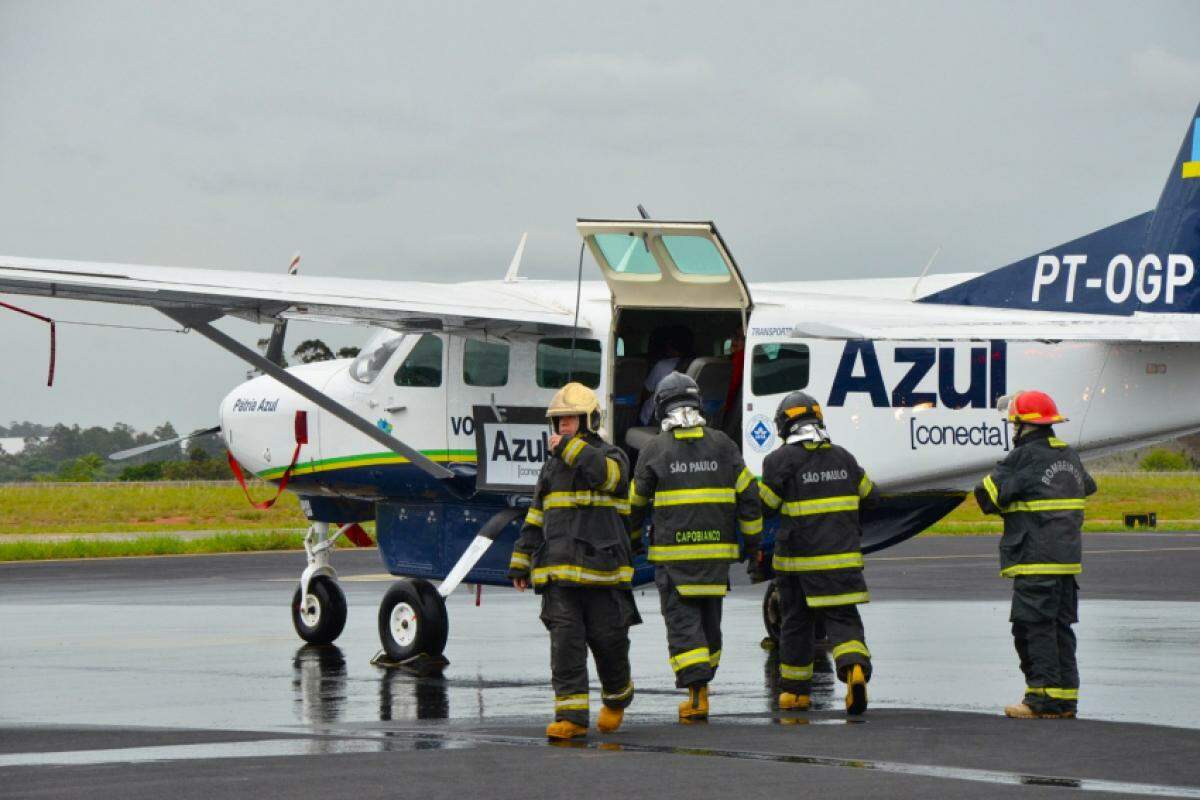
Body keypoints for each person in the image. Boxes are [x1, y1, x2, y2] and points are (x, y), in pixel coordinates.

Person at [507, 383, 640, 740]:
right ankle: (572, 717)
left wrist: (572, 449)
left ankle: (617, 696)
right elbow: (535, 516)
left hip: (604, 575)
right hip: (560, 575)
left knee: (609, 643)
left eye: (570, 419)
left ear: (589, 420)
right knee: (565, 644)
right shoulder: (551, 469)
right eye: (559, 421)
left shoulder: (613, 457)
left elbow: (607, 477)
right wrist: (521, 560)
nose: (563, 426)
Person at [629, 372, 762, 721]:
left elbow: (635, 504)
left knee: (682, 623)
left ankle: (697, 693)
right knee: (709, 622)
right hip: (716, 557)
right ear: (698, 402)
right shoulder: (724, 445)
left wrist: (629, 543)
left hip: (674, 560)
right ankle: (704, 681)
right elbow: (749, 494)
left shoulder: (653, 449)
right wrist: (752, 543)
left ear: (661, 407)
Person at [974, 390, 1096, 720]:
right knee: (1060, 628)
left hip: (1034, 557)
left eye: (1014, 424)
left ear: (1023, 426)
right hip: (1067, 560)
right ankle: (1065, 700)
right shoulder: (1068, 455)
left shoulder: (1024, 457)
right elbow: (1088, 486)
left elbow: (985, 495)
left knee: (1032, 628)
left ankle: (1040, 699)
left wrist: (1012, 499)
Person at [756, 391, 876, 715]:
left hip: (799, 564)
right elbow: (868, 492)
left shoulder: (779, 461)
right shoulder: (843, 457)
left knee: (797, 623)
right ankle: (854, 669)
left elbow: (764, 505)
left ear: (784, 425)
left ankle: (795, 694)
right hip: (843, 560)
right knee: (844, 619)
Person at [638, 326, 694, 425]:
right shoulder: (696, 365)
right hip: (686, 419)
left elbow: (645, 393)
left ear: (670, 346)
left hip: (654, 421)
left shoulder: (662, 366)